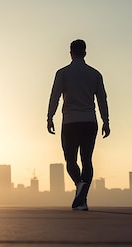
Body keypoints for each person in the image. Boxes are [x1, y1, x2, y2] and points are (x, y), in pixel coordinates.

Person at [46, 39, 110, 211]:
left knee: (70, 159)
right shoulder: (95, 74)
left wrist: (49, 117)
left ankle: (79, 187)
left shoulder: (63, 73)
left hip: (70, 122)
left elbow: (55, 96)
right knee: (87, 160)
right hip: (90, 120)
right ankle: (82, 199)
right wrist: (106, 121)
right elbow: (102, 99)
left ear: (70, 52)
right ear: (85, 52)